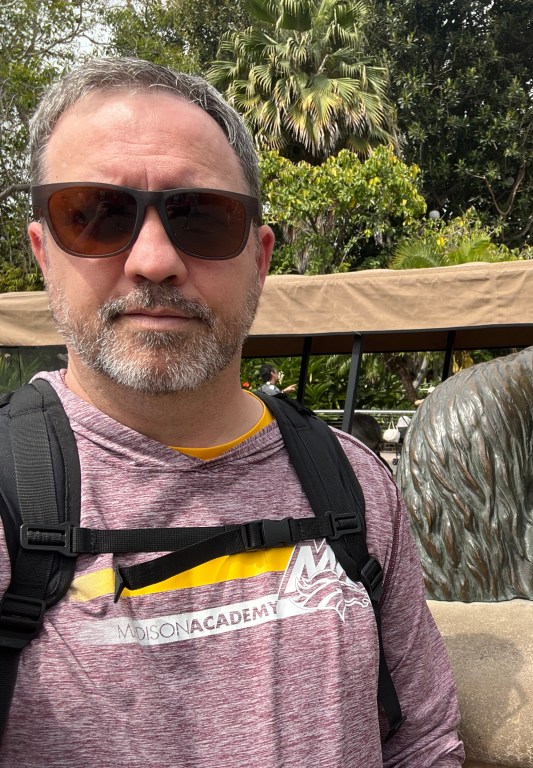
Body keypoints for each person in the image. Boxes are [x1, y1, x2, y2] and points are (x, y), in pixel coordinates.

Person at [6, 57, 464, 766]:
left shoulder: (355, 487)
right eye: (96, 215)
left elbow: (424, 742)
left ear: (260, 257)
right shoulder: (9, 497)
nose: (154, 260)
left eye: (201, 217)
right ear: (43, 251)